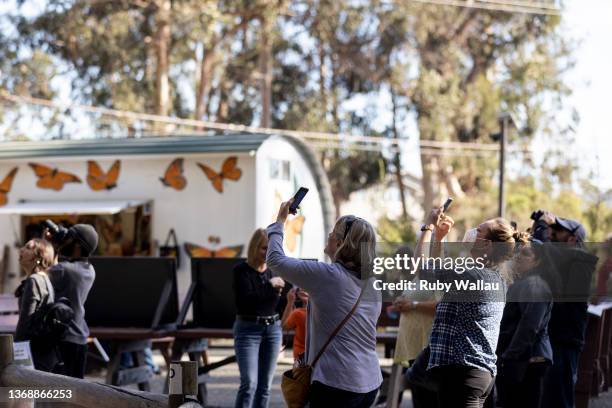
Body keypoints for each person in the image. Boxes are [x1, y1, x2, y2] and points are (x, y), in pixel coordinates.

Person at [267, 199, 382, 408]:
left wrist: (280, 221)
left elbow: (275, 260)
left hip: (337, 383)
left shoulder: (328, 275)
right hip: (369, 382)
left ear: (341, 244)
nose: (329, 235)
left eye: (334, 233)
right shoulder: (372, 283)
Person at [413, 208, 527, 408]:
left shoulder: (472, 276)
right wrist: (439, 239)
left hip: (463, 376)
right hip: (474, 376)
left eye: (480, 230)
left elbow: (422, 270)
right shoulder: (493, 278)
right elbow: (438, 282)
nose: (473, 230)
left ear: (487, 244)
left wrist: (428, 227)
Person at [532, 212, 598, 408]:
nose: (552, 232)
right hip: (554, 339)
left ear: (572, 239)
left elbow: (543, 250)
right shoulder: (566, 259)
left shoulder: (581, 260)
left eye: (558, 230)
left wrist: (542, 225)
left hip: (564, 341)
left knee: (559, 400)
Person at [494, 240, 555, 408]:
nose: (519, 257)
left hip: (526, 361)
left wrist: (509, 356)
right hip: (520, 360)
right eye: (518, 253)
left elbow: (530, 325)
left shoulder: (534, 285)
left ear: (537, 261)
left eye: (526, 254)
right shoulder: (525, 283)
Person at [233, 228, 285, 408]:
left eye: (270, 249)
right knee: (249, 383)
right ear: (254, 248)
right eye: (264, 248)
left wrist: (290, 295)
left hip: (273, 330)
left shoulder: (274, 271)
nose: (267, 253)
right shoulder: (241, 271)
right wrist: (270, 287)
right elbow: (246, 301)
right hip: (248, 329)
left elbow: (279, 306)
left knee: (265, 387)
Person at [47, 224, 98, 378]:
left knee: (60, 393)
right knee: (74, 394)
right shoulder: (89, 269)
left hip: (64, 339)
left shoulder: (65, 270)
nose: (64, 240)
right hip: (80, 337)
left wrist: (49, 246)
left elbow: (40, 273)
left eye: (68, 237)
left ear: (77, 245)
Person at [14, 239, 59, 372]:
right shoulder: (44, 278)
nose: (21, 250)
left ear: (39, 257)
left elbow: (25, 323)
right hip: (44, 351)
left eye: (28, 248)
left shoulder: (34, 281)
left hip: (33, 353)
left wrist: (15, 352)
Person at [281, 287, 309, 363]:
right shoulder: (298, 313)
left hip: (300, 356)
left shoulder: (298, 313)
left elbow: (284, 327)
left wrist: (290, 302)